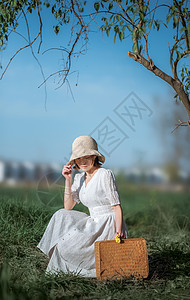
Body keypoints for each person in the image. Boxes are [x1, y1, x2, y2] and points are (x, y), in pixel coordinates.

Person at [37, 136, 128, 277]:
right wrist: (68, 179)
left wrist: (118, 232)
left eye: (86, 157)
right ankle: (63, 253)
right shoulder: (79, 179)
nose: (82, 161)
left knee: (68, 246)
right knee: (61, 214)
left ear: (94, 156)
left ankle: (77, 259)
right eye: (79, 158)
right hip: (93, 221)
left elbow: (116, 206)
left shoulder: (105, 175)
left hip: (108, 224)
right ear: (75, 161)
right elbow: (68, 206)